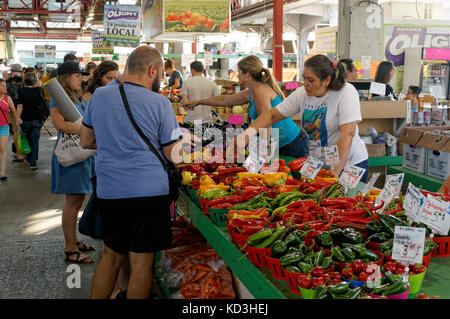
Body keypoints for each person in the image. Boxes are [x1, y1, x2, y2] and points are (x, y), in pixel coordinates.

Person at [81, 46, 183, 299]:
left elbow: (86, 141)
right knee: (141, 263)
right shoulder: (160, 103)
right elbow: (173, 153)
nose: (162, 78)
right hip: (150, 192)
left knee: (111, 255)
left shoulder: (100, 96)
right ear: (152, 70)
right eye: (161, 73)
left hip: (110, 190)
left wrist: (114, 141)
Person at [232, 54, 369, 182]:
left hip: (349, 163)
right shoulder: (302, 94)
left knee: (346, 203)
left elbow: (348, 133)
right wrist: (245, 135)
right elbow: (271, 115)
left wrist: (334, 173)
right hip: (317, 161)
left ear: (326, 80)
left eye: (311, 80)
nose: (305, 84)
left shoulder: (345, 92)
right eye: (304, 78)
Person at [184, 55, 309, 158]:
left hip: (291, 144)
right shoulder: (252, 91)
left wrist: (263, 151)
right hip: (280, 143)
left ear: (247, 75)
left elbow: (266, 122)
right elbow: (224, 100)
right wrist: (199, 101)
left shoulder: (260, 90)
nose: (237, 75)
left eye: (239, 72)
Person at [50, 61, 96, 264]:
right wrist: (87, 130)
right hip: (71, 157)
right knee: (72, 203)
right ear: (66, 77)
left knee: (77, 202)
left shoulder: (76, 96)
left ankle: (74, 241)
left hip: (81, 154)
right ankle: (70, 249)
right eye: (77, 75)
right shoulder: (58, 99)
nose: (81, 78)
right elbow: (60, 125)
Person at [16, 72, 46, 170]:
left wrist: (17, 118)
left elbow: (20, 106)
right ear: (35, 80)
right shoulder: (39, 90)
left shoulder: (21, 91)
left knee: (27, 140)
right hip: (37, 119)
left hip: (25, 120)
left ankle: (29, 158)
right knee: (35, 141)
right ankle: (33, 162)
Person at [0, 79, 22, 180]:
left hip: (4, 126)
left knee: (3, 149)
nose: (5, 88)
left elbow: (13, 111)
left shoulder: (7, 98)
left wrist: (18, 119)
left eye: (5, 85)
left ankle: (2, 173)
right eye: (2, 86)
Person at [6, 63, 24, 163]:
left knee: (16, 131)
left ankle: (19, 154)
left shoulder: (7, 83)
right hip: (23, 109)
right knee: (21, 131)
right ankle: (21, 151)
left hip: (12, 110)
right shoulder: (24, 82)